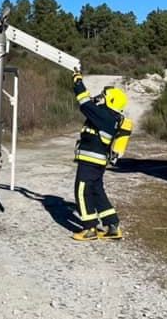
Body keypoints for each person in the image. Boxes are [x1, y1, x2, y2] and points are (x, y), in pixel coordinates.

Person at [71, 70, 130, 241]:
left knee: (82, 190)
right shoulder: (112, 118)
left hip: (90, 161)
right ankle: (112, 226)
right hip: (98, 161)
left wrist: (77, 82)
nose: (100, 98)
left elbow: (84, 102)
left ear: (110, 101)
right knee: (97, 191)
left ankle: (89, 228)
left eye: (104, 96)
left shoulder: (104, 115)